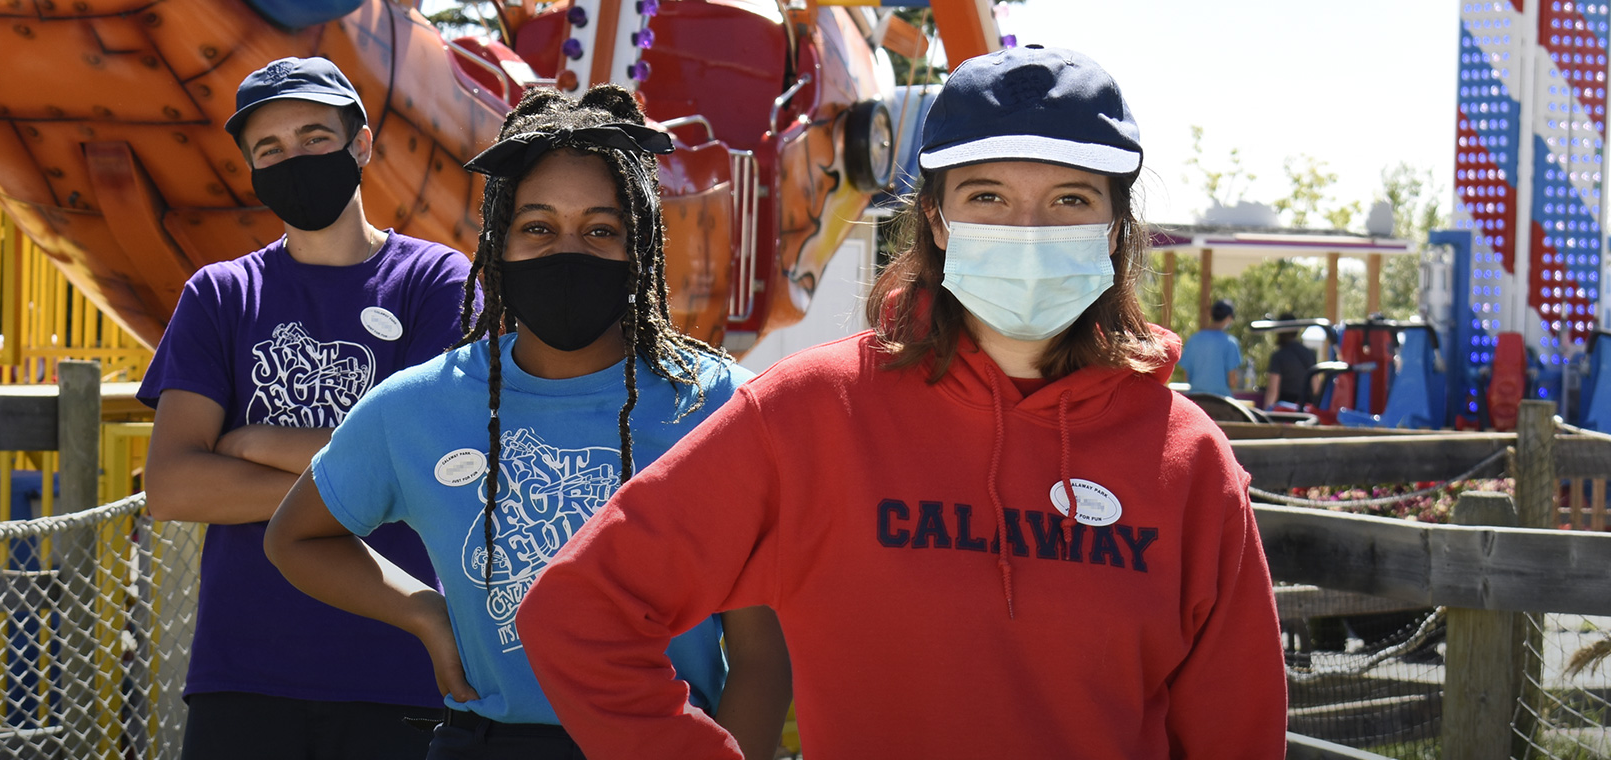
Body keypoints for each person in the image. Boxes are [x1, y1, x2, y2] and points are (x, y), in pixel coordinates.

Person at [514, 46, 1287, 758]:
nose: (1026, 230)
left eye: (1068, 199)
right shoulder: (813, 412)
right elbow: (581, 613)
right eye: (987, 195)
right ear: (938, 220)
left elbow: (1238, 731)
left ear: (1115, 229)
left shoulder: (1185, 458)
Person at [263, 86, 793, 760]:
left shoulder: (723, 408)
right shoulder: (418, 405)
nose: (565, 251)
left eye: (601, 230)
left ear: (642, 246)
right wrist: (422, 612)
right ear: (498, 242)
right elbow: (296, 537)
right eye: (537, 227)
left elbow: (762, 654)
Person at [138, 56, 475, 759]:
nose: (293, 158)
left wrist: (251, 440)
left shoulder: (436, 281)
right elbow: (172, 485)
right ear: (253, 170)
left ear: (361, 144)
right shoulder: (219, 296)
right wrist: (362, 487)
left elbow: (426, 461)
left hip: (403, 666)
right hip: (244, 674)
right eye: (270, 148)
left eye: (314, 136)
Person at [1177, 298, 1244, 396]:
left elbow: (1186, 377)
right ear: (1229, 317)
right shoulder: (1230, 343)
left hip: (1197, 400)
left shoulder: (1194, 339)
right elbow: (1232, 381)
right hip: (1221, 402)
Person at [1263, 312, 1321, 409]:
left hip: (1285, 412)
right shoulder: (1309, 354)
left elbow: (1273, 392)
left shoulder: (1278, 356)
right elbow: (1316, 388)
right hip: (1306, 411)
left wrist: (1265, 414)